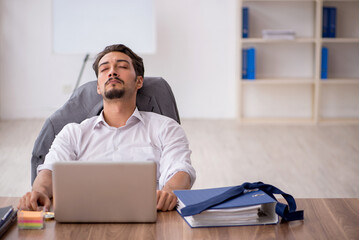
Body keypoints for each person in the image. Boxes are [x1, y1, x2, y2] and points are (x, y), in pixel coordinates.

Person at [17, 44, 196, 212]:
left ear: (139, 82)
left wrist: (170, 192)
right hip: (84, 222)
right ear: (98, 87)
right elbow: (49, 170)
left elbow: (180, 170)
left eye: (122, 67)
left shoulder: (166, 128)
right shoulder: (73, 133)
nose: (112, 72)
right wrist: (40, 191)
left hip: (149, 221)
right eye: (104, 69)